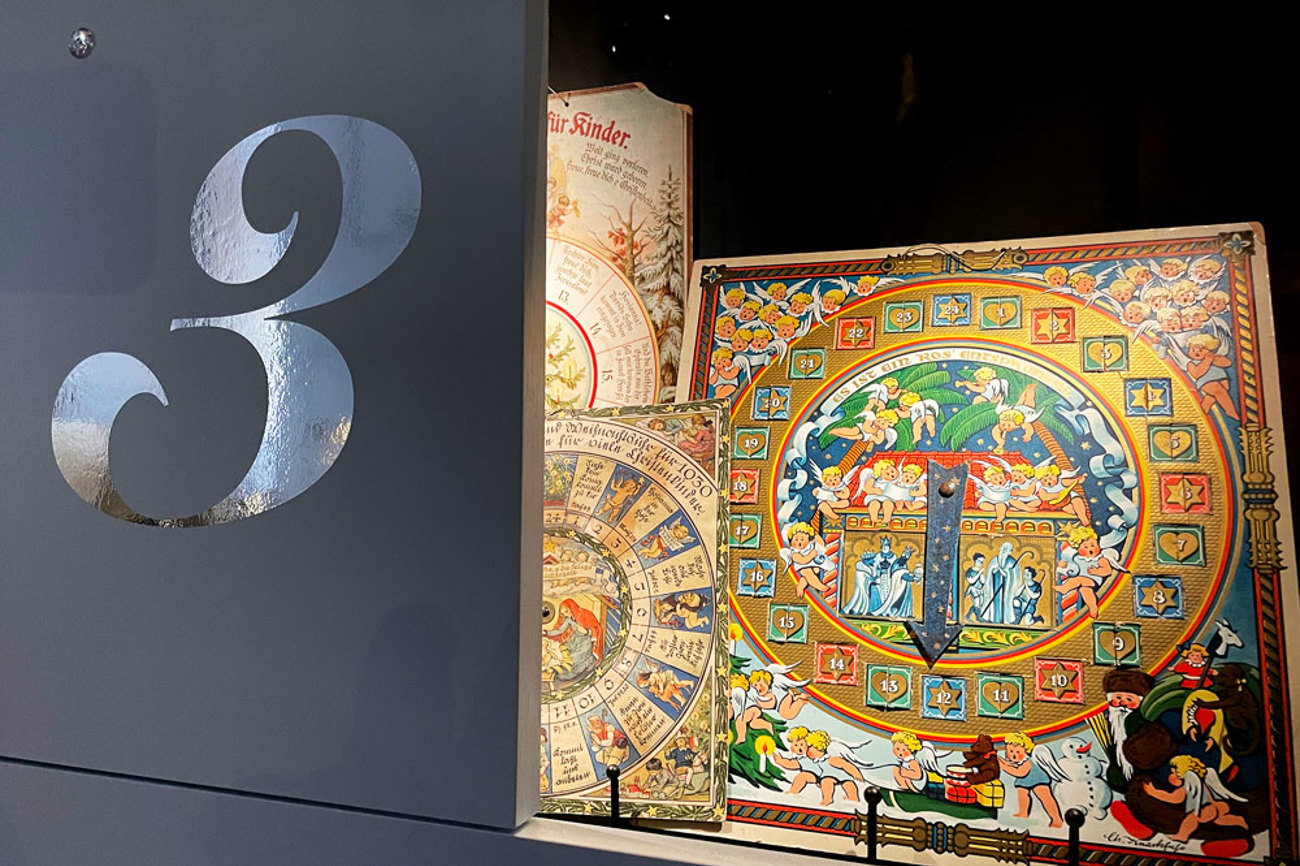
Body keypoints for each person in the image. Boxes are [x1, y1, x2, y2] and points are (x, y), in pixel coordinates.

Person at [999, 732, 1063, 827]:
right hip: (1025, 781)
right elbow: (1012, 765)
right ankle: (1023, 812)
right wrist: (1001, 761)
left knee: (1045, 797)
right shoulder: (1020, 761)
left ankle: (1056, 819)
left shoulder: (1027, 762)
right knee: (1022, 794)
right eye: (1010, 751)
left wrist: (1004, 767)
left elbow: (1019, 772)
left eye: (1018, 752)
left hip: (1038, 780)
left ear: (1026, 751)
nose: (1013, 755)